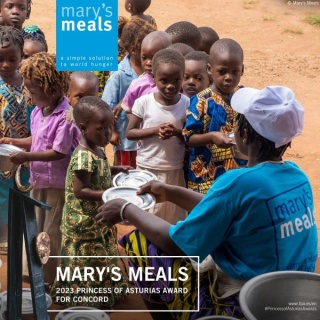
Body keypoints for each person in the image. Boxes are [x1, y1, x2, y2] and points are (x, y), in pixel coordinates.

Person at [96, 85, 318, 320]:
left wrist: (126, 208)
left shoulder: (237, 182)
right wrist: (170, 192)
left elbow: (178, 244)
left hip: (245, 301)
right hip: (290, 295)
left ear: (243, 134)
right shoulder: (297, 176)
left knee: (140, 242)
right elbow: (225, 208)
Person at [3, 52, 81, 286]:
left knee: (51, 230)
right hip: (39, 180)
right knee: (38, 226)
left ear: (53, 90)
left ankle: (50, 276)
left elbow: (58, 152)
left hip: (57, 183)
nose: (29, 94)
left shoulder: (64, 118)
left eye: (33, 90)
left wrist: (25, 156)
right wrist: (15, 142)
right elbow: (37, 140)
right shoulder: (40, 110)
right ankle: (37, 270)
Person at [50, 96, 129, 307]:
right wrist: (109, 193)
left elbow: (97, 172)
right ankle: (86, 300)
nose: (107, 133)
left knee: (98, 256)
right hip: (83, 221)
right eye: (101, 128)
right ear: (83, 128)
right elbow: (80, 190)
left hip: (94, 219)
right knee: (85, 260)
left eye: (109, 127)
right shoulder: (83, 156)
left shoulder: (97, 149)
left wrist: (114, 170)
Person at [126, 49, 189, 224]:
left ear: (183, 77)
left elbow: (190, 135)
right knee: (149, 214)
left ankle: (168, 250)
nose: (170, 86)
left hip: (174, 168)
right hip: (148, 167)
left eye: (176, 80)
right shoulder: (144, 103)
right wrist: (154, 131)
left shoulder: (187, 103)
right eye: (164, 81)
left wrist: (177, 132)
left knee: (174, 215)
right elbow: (130, 133)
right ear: (154, 78)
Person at [183, 38, 244, 194]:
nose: (229, 77)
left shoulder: (244, 96)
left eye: (234, 72)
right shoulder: (200, 100)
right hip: (206, 178)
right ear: (210, 69)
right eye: (222, 71)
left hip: (238, 173)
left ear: (242, 70)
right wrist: (211, 137)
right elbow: (188, 138)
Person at [102, 18, 155, 168]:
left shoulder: (153, 70)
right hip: (125, 141)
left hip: (147, 139)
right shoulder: (119, 75)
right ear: (133, 49)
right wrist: (112, 132)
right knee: (125, 173)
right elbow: (107, 107)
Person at [0, 26, 32, 255]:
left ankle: (20, 234)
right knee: (1, 194)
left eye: (12, 59)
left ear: (22, 56)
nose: (5, 65)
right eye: (0, 59)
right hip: (1, 152)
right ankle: (3, 236)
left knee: (23, 190)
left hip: (26, 151)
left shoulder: (29, 84)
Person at [121, 30, 172, 113]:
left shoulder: (178, 83)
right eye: (144, 58)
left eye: (153, 57)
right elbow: (129, 111)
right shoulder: (137, 85)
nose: (148, 63)